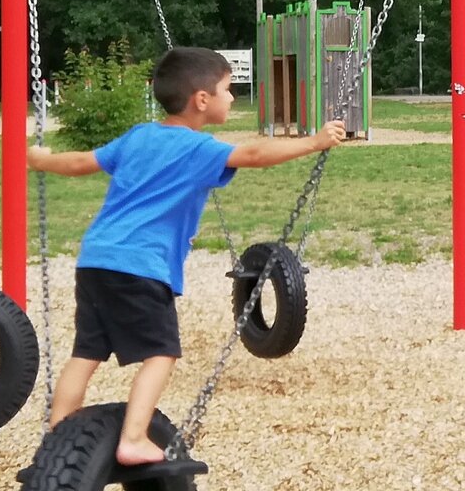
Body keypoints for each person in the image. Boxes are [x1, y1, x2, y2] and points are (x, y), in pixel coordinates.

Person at [27, 47, 347, 466]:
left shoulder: (139, 136)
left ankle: (57, 438)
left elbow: (82, 162)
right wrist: (316, 141)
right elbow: (253, 155)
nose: (232, 97)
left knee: (85, 353)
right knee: (162, 352)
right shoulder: (198, 149)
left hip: (96, 260)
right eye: (228, 90)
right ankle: (134, 438)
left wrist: (42, 160)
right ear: (201, 100)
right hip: (142, 267)